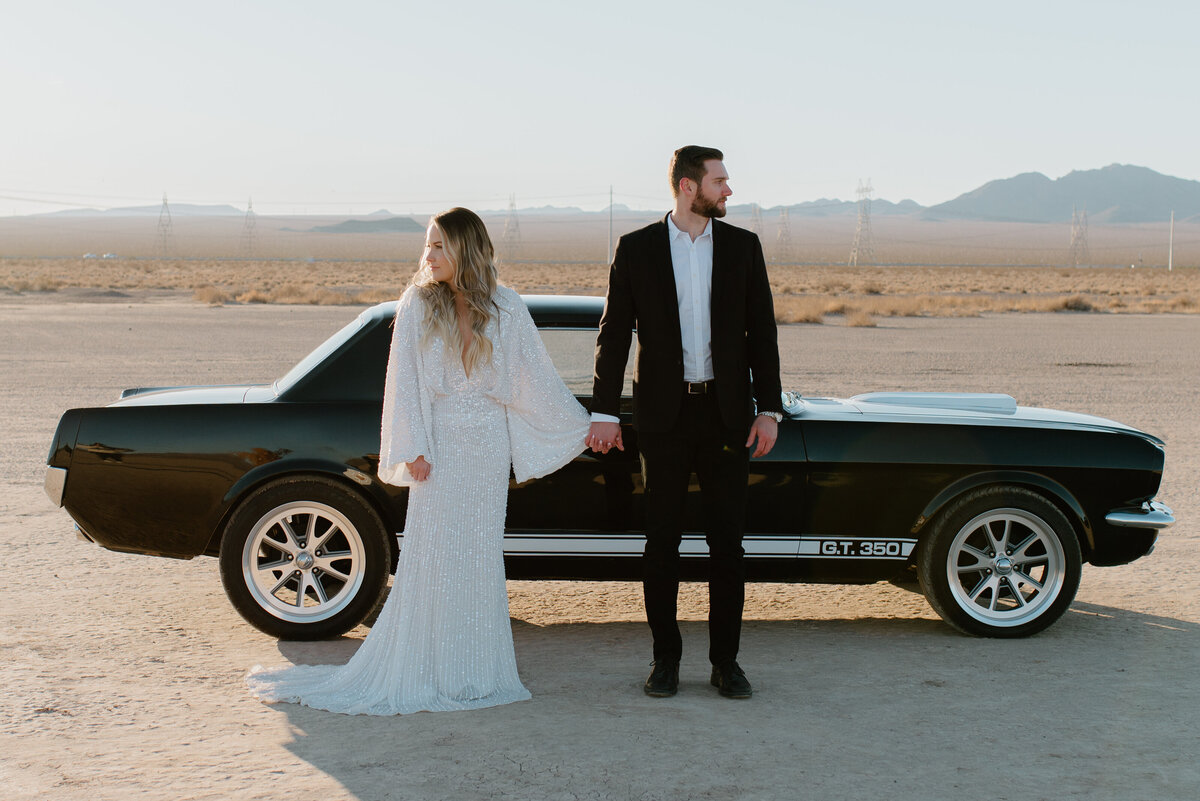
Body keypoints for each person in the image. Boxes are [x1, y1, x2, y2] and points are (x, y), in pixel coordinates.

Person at [247, 207, 590, 715]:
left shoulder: (509, 307)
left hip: (488, 453)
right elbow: (402, 382)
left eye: (437, 246)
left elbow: (535, 381)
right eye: (426, 245)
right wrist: (414, 448)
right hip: (441, 448)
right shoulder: (416, 305)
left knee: (477, 558)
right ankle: (429, 668)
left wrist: (587, 426)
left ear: (465, 250)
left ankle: (473, 674)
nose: (427, 256)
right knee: (432, 559)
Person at [587, 146, 782, 700]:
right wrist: (604, 411)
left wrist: (767, 409)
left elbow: (761, 334)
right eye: (720, 180)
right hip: (663, 420)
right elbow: (614, 334)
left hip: (726, 417)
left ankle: (727, 663)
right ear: (688, 187)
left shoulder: (744, 247)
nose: (729, 190)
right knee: (661, 544)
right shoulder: (637, 249)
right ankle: (664, 661)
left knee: (728, 546)